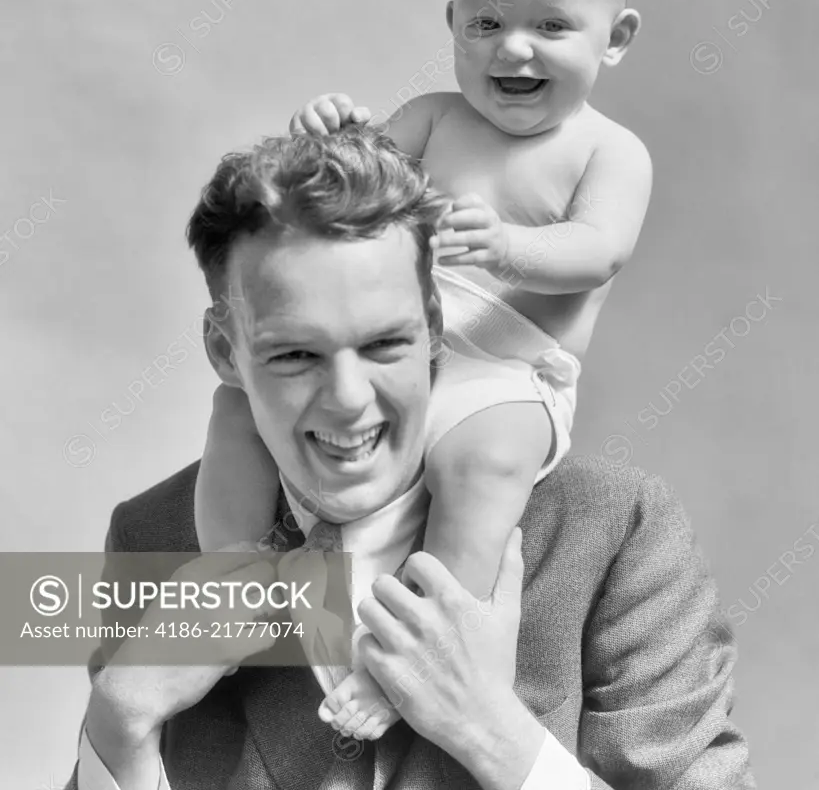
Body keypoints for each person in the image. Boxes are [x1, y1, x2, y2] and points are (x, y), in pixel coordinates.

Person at [66, 128, 753, 790]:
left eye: (384, 345)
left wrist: (493, 734)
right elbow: (120, 731)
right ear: (225, 352)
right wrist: (118, 721)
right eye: (295, 355)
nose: (347, 400)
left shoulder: (615, 530)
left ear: (432, 326)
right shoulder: (152, 536)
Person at [194, 0, 653, 738]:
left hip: (507, 372)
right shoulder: (434, 118)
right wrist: (325, 138)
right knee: (235, 411)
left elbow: (601, 249)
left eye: (550, 26)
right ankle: (231, 584)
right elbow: (341, 195)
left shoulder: (608, 151)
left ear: (615, 38)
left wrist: (510, 246)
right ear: (452, 26)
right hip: (399, 352)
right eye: (485, 23)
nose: (511, 50)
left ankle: (406, 655)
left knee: (482, 469)